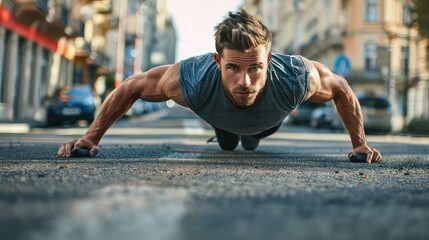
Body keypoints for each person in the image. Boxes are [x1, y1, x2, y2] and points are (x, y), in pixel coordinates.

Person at [57, 9, 382, 163]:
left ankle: (250, 136)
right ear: (216, 61)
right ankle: (227, 133)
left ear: (268, 59)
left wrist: (360, 144)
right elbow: (131, 86)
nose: (245, 81)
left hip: (267, 124)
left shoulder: (295, 77)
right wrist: (88, 138)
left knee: (253, 139)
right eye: (233, 68)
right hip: (218, 117)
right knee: (228, 143)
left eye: (255, 67)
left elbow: (341, 87)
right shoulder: (191, 80)